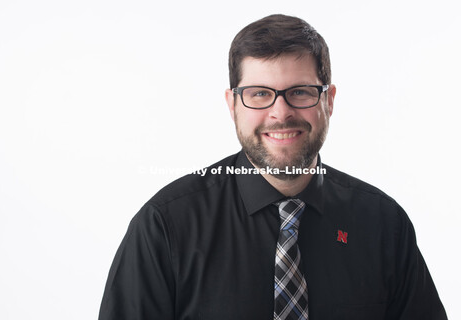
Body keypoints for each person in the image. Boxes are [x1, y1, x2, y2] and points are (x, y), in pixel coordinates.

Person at [98, 14, 447, 320]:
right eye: (260, 94)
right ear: (232, 104)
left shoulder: (385, 225)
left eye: (300, 92)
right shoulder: (166, 226)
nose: (280, 113)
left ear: (329, 100)